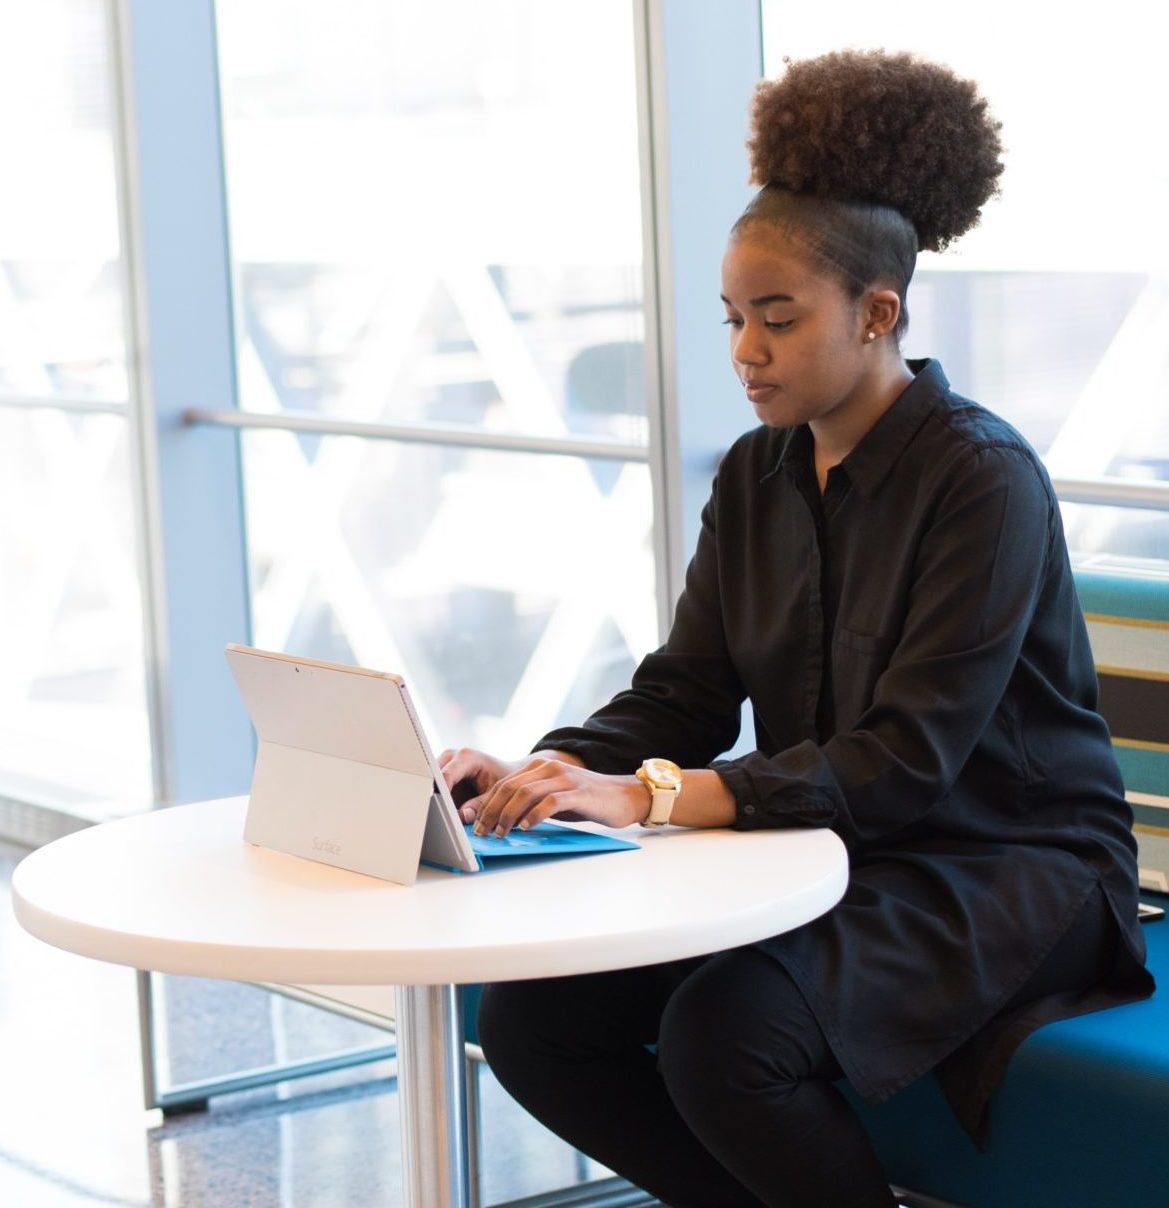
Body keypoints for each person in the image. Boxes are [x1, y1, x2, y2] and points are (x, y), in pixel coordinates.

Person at [439, 49, 1154, 1208]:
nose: (742, 352)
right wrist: (550, 768)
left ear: (876, 313)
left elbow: (906, 757)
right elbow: (685, 686)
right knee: (538, 1019)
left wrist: (654, 796)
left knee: (729, 1032)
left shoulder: (982, 479)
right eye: (731, 318)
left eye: (775, 318)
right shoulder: (757, 472)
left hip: (1011, 864)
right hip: (830, 847)